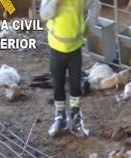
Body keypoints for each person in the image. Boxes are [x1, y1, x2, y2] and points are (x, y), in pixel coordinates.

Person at [40, 0, 98, 137]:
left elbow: (95, 5)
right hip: (56, 47)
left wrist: (88, 27)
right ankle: (60, 117)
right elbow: (44, 14)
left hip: (75, 48)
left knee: (75, 85)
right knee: (58, 83)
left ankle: (76, 118)